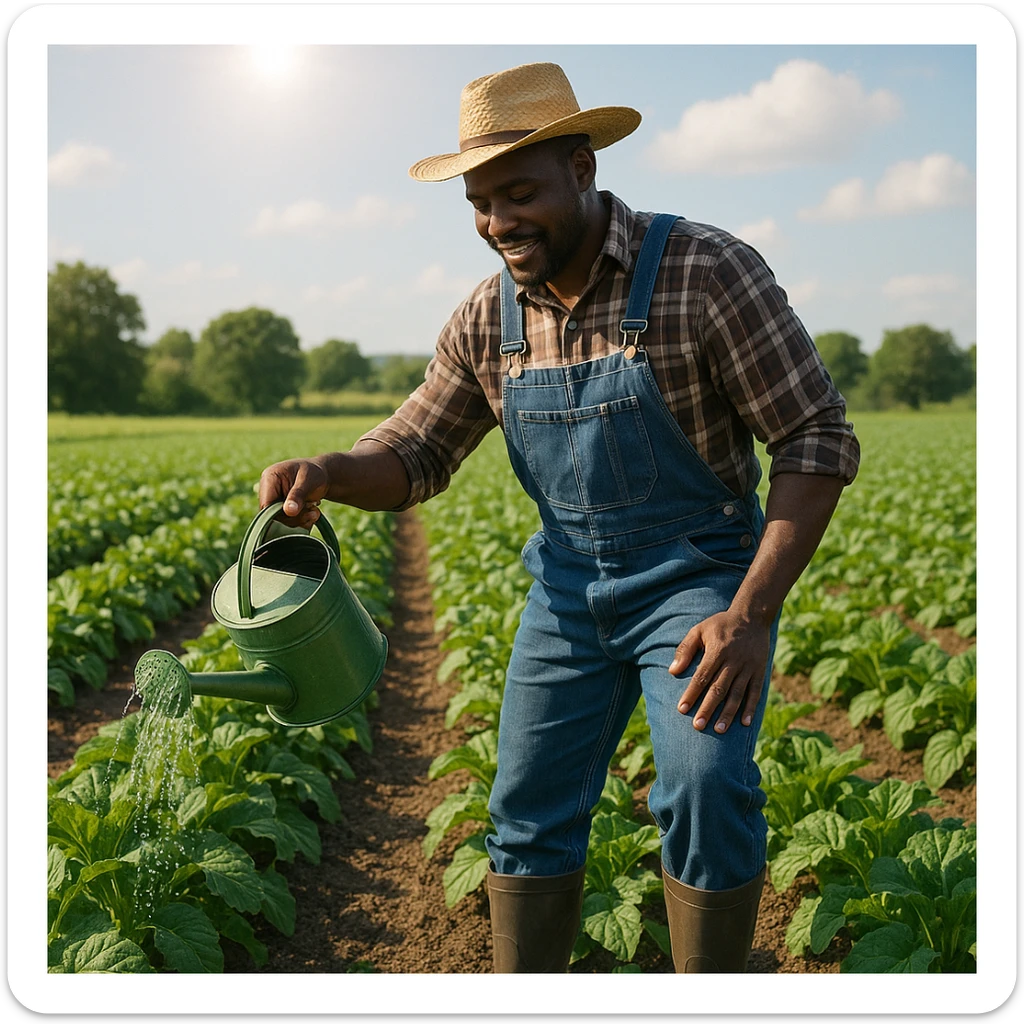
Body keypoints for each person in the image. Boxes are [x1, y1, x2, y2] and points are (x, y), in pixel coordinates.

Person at [259, 62, 860, 974]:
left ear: (582, 168)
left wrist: (750, 612)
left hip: (699, 583)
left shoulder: (704, 271)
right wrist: (329, 471)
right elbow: (416, 450)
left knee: (704, 788)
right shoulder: (485, 319)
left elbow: (815, 438)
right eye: (480, 202)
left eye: (520, 193)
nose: (500, 223)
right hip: (571, 589)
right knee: (523, 807)